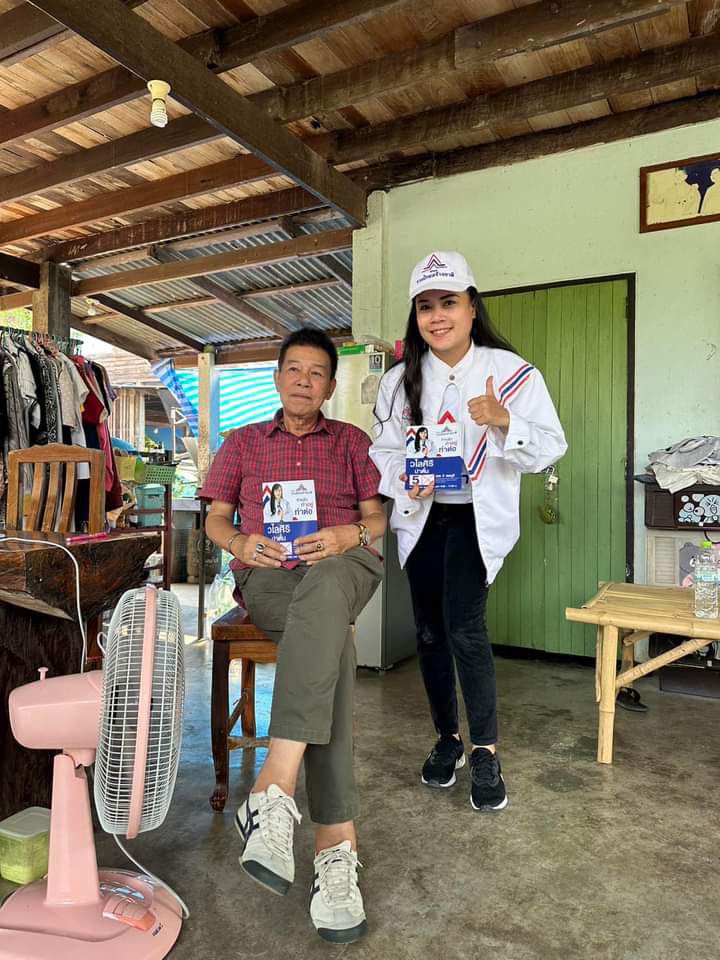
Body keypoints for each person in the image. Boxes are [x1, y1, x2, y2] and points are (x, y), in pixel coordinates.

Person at [202, 327, 386, 944]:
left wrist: (347, 536)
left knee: (330, 580)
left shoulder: (352, 442)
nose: (304, 381)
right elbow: (215, 518)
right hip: (270, 576)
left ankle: (274, 786)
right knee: (333, 647)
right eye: (294, 370)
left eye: (317, 373)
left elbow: (377, 516)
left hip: (345, 563)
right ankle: (336, 849)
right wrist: (238, 542)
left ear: (330, 386)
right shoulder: (243, 442)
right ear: (277, 377)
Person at [370, 251, 567, 812]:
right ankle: (447, 739)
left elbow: (551, 447)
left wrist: (505, 420)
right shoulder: (398, 382)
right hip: (423, 517)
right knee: (429, 631)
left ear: (472, 307)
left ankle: (485, 748)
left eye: (449, 303)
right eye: (425, 306)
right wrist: (407, 478)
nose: (437, 317)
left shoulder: (512, 373)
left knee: (465, 628)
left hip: (476, 519)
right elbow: (382, 452)